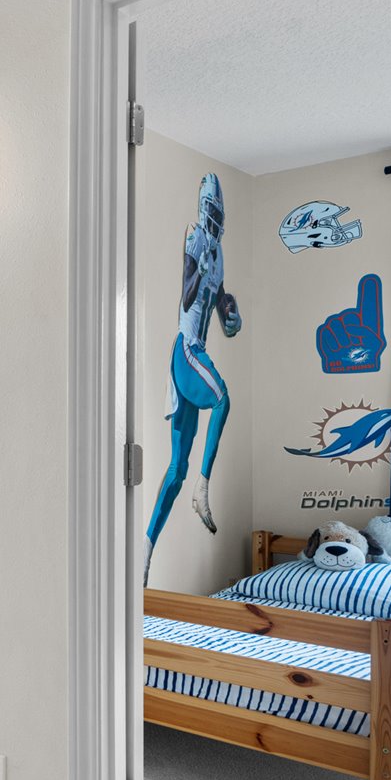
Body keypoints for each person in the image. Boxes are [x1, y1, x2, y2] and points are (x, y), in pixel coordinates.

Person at [145, 173, 241, 585]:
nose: (215, 219)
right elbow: (186, 296)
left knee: (175, 468)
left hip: (193, 351)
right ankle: (203, 489)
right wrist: (199, 274)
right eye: (212, 211)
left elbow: (227, 320)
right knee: (223, 399)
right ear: (205, 210)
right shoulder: (196, 239)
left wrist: (232, 312)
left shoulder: (219, 253)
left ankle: (144, 551)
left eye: (220, 213)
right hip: (186, 349)